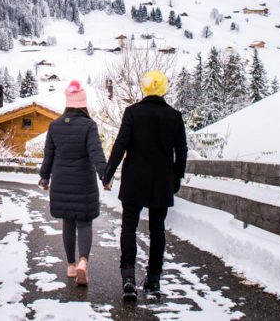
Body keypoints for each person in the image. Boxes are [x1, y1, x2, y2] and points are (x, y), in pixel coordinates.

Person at [102, 70, 187, 301]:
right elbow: (182, 152)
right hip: (161, 181)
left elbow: (120, 145)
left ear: (145, 88)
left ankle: (128, 278)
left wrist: (108, 174)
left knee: (129, 226)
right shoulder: (175, 116)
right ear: (164, 89)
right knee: (157, 230)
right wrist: (176, 179)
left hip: (134, 181)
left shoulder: (132, 113)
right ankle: (153, 280)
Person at [38, 80, 107, 287]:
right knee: (84, 222)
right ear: (83, 104)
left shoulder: (55, 126)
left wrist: (45, 177)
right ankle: (83, 262)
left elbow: (48, 155)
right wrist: (105, 176)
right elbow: (96, 153)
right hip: (83, 183)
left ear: (68, 103)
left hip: (61, 181)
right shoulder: (89, 126)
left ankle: (70, 266)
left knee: (68, 222)